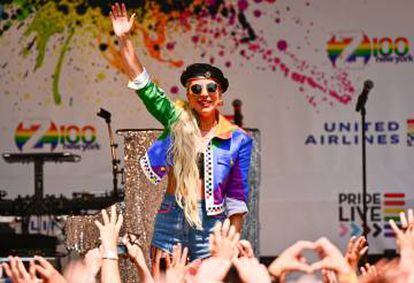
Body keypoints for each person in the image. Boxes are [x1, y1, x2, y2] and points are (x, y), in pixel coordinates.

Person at [109, 3, 253, 261]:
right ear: (188, 95)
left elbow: (236, 196)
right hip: (172, 213)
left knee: (209, 277)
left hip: (211, 221)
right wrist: (124, 38)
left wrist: (232, 240)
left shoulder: (237, 139)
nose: (205, 95)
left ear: (220, 97)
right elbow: (142, 83)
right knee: (163, 275)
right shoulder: (176, 117)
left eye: (211, 88)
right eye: (196, 89)